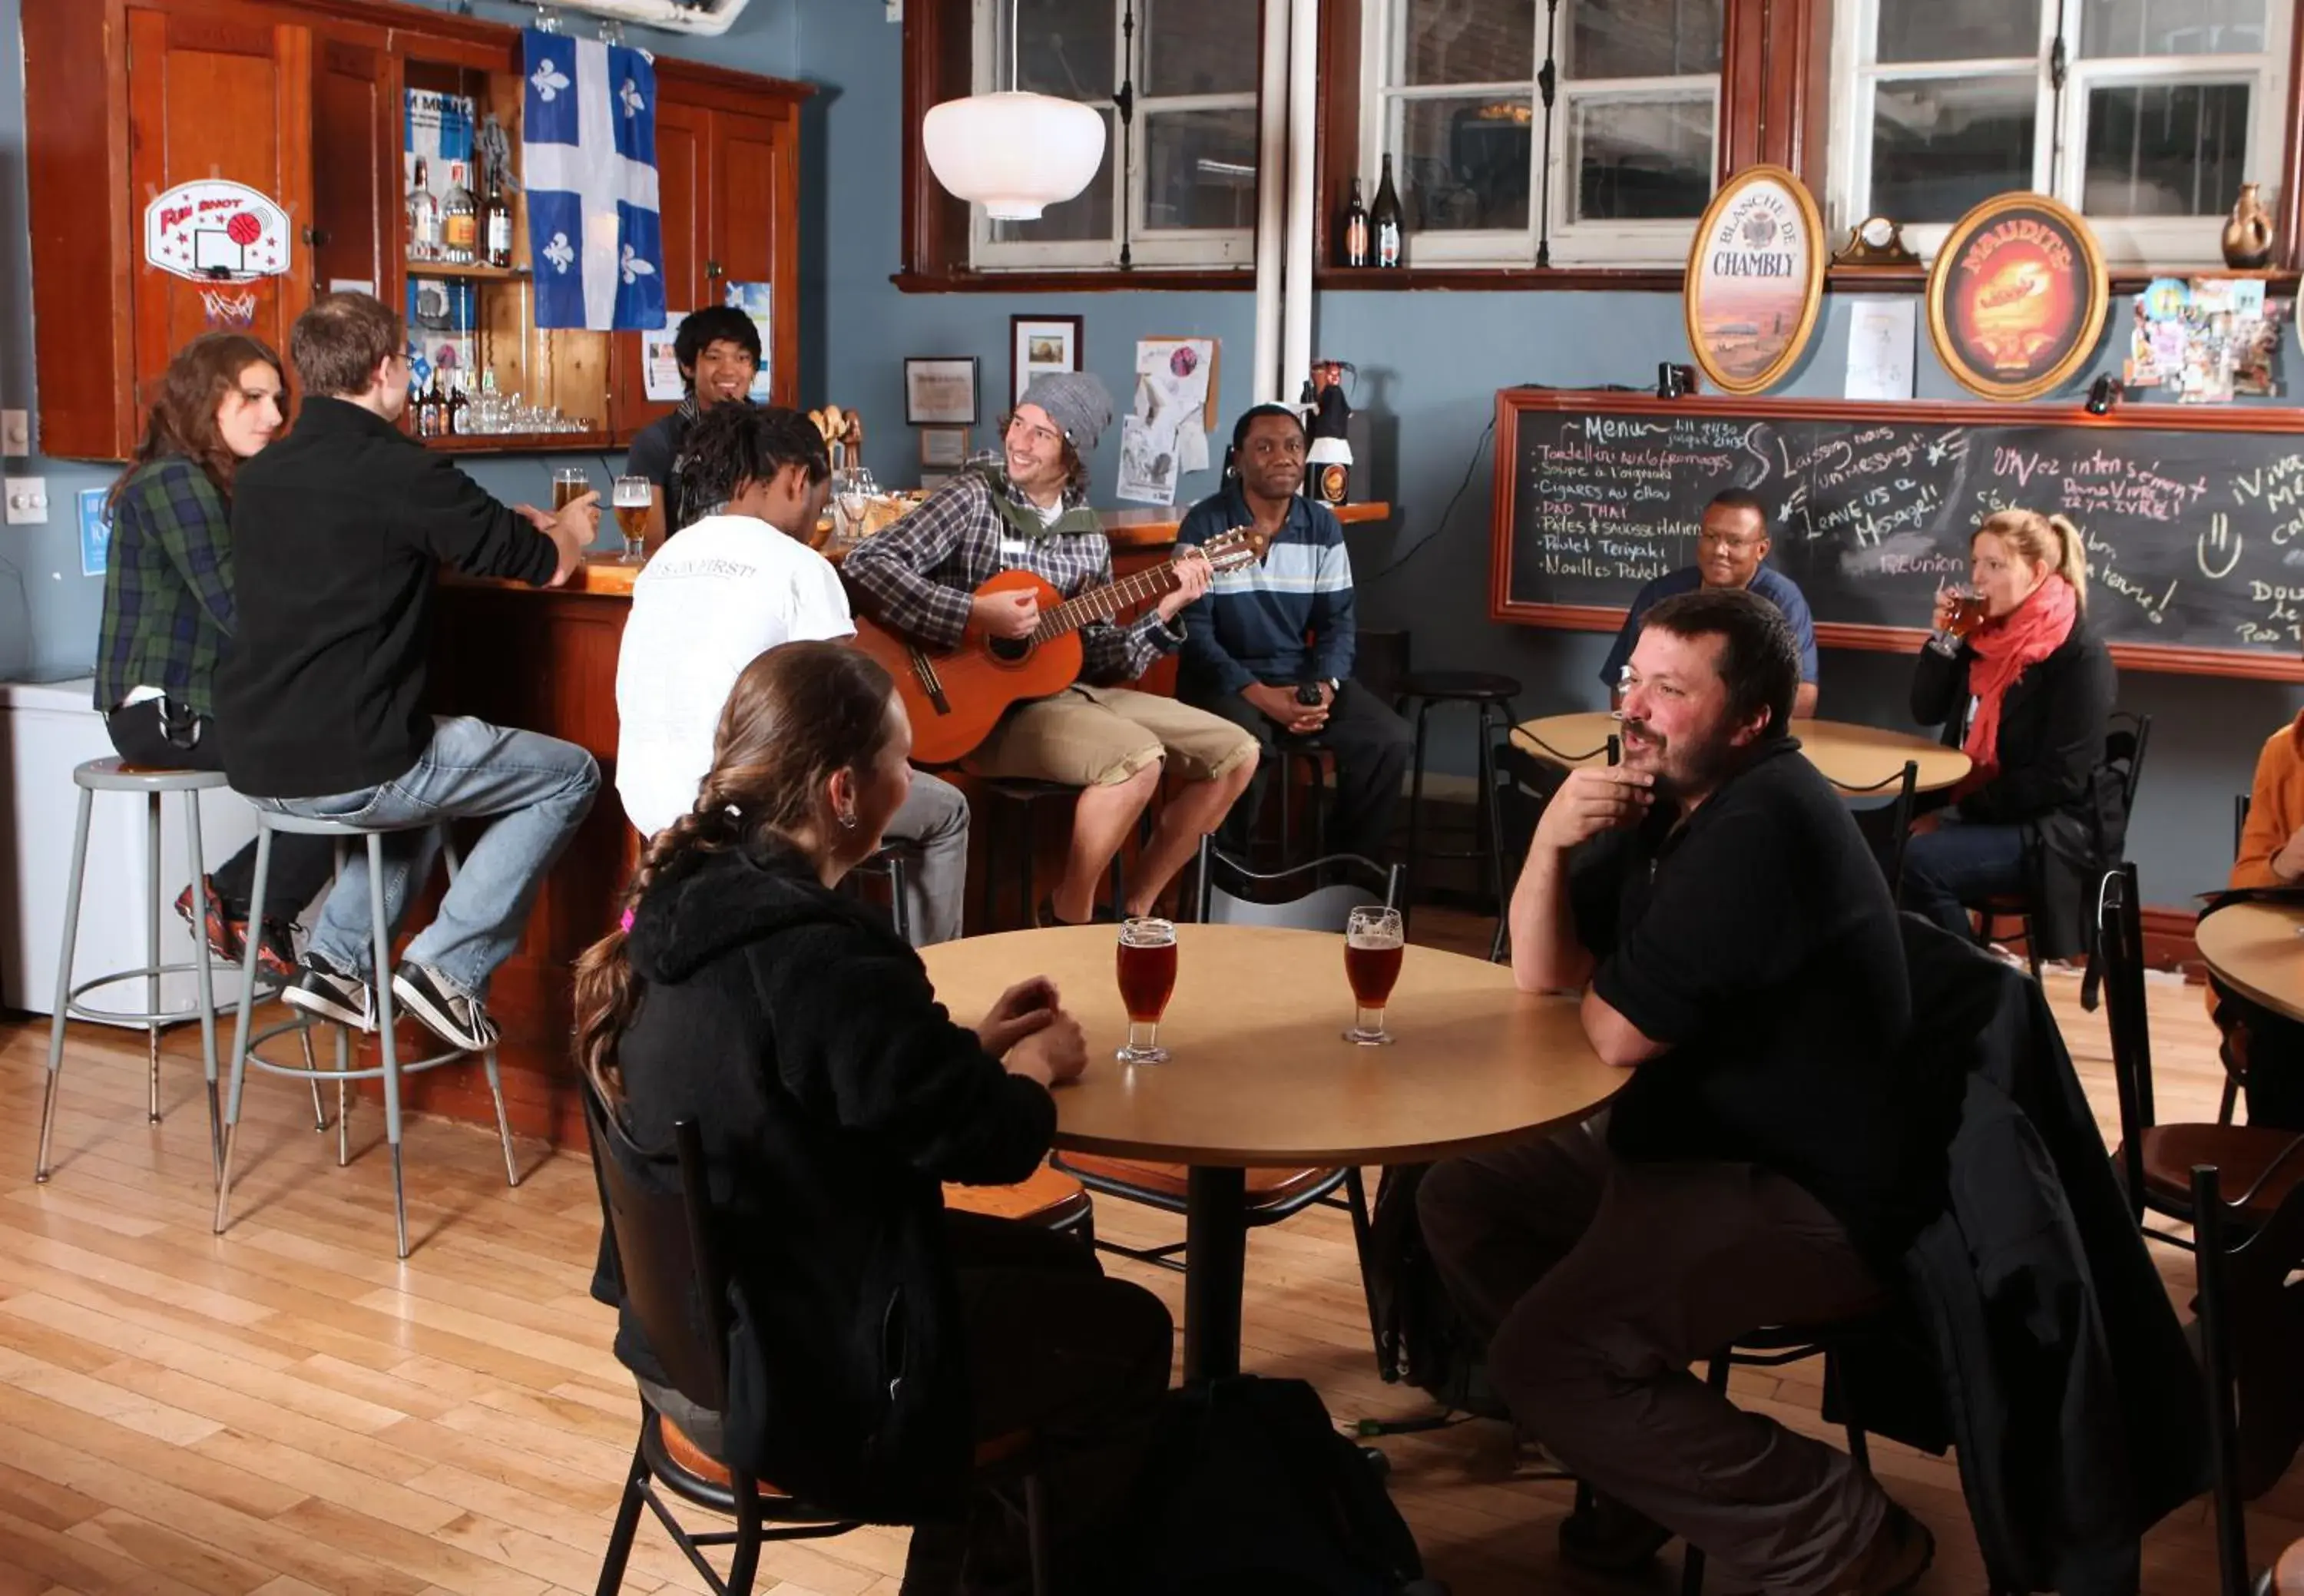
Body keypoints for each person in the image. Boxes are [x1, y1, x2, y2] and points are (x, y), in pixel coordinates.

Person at [576, 641, 1172, 1591]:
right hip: (800, 1378)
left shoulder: (680, 903)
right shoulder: (821, 956)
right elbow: (999, 1145)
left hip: (694, 1342)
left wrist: (966, 1052)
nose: (916, 779)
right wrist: (1033, 1070)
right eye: (904, 761)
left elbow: (807, 1083)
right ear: (845, 792)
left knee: (1059, 1261)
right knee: (1132, 1331)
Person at [1419, 588, 1935, 1596]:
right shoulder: (1672, 793)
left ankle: (1845, 1530)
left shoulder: (1761, 821)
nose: (1637, 708)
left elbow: (1609, 1031)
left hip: (1805, 1191)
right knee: (1464, 1191)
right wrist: (1549, 842)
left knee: (1548, 1358)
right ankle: (1635, 1466)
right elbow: (1543, 971)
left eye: (1670, 689)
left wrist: (1589, 946)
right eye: (1631, 680)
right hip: (1695, 1142)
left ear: (1750, 720)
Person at [216, 291, 602, 1054]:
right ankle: (445, 966)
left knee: (420, 793)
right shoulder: (402, 470)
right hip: (357, 761)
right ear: (389, 368)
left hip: (258, 759)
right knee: (571, 774)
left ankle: (336, 961)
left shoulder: (263, 473)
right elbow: (548, 567)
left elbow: (354, 554)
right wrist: (571, 529)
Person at [844, 372, 1258, 926]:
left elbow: (1104, 656)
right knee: (1138, 760)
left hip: (1065, 694)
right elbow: (868, 563)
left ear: (1073, 451)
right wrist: (973, 613)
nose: (1019, 441)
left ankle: (1134, 910)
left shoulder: (1086, 536)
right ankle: (1070, 916)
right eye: (1019, 422)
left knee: (1237, 754)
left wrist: (1164, 612)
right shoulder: (974, 496)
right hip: (973, 715)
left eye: (1041, 433)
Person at [614, 401, 973, 946]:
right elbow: (847, 721)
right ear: (798, 479)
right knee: (946, 810)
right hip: (749, 815)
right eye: (818, 504)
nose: (813, 522)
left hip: (646, 802)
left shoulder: (663, 558)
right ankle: (935, 986)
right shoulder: (801, 566)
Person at [93, 332, 334, 978]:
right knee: (351, 758)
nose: (277, 416)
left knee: (359, 752)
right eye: (253, 397)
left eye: (278, 399)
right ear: (206, 401)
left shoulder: (225, 480)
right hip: (164, 711)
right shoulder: (174, 481)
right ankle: (237, 900)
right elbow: (242, 609)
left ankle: (250, 908)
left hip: (212, 697)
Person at [1174, 404, 1413, 860]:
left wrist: (1322, 687)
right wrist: (1262, 696)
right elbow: (1194, 632)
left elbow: (1338, 623)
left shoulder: (1321, 525)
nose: (1282, 457)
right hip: (1221, 682)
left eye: (1293, 446)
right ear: (1238, 459)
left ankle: (1344, 873)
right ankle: (1231, 884)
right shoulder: (1204, 524)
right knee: (1243, 745)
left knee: (1387, 738)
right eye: (1264, 447)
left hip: (1297, 674)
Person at [1902, 508, 2118, 966]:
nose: (1978, 578)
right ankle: (1915, 983)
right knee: (1859, 842)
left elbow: (2061, 777)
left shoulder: (2080, 656)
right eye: (1975, 563)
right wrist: (1947, 639)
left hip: (2047, 829)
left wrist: (1956, 814)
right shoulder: (1982, 636)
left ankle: (1976, 984)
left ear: (2037, 572)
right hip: (1980, 806)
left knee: (1915, 864)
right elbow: (1926, 709)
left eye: (1995, 566)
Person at [1600, 488, 1819, 718]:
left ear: (1761, 549)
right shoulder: (1662, 594)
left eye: (1734, 541)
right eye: (1711, 537)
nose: (1719, 551)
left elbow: (1802, 697)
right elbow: (1623, 681)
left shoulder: (1782, 601)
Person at [2206, 711, 2304, 1127]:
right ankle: (2277, 1179)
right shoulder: (2285, 749)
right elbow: (2245, 882)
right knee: (2277, 1034)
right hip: (2289, 956)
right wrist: (2285, 863)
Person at [624, 304, 762, 542]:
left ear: (753, 369)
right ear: (688, 367)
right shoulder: (657, 441)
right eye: (714, 357)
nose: (729, 370)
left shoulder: (771, 435)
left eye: (742, 358)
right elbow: (651, 547)